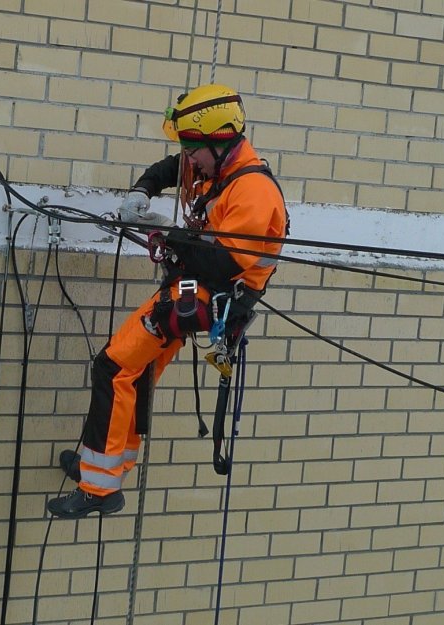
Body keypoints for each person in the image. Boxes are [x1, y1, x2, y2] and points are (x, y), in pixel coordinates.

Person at [46, 84, 288, 519]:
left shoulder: (252, 191)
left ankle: (98, 488)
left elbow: (223, 263)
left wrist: (164, 230)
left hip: (211, 296)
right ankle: (103, 468)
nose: (188, 159)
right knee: (133, 373)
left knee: (114, 366)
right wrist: (143, 191)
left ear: (219, 141)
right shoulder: (214, 165)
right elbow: (171, 169)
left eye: (193, 149)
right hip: (192, 288)